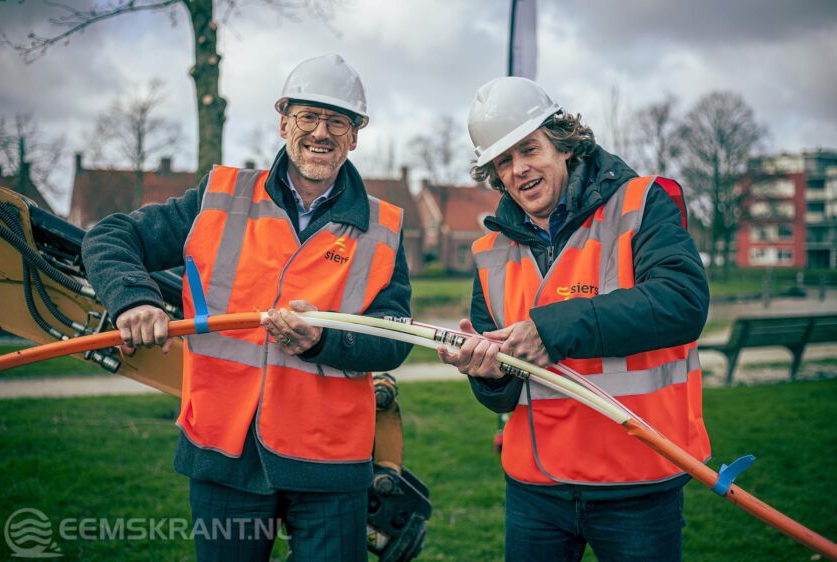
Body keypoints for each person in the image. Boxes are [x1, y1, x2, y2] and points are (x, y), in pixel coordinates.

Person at [82, 54, 412, 562]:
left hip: (330, 464)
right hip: (223, 454)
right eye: (308, 117)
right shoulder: (220, 197)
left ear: (355, 135)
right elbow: (110, 236)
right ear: (283, 122)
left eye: (337, 121)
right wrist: (135, 299)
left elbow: (393, 337)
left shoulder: (382, 227)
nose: (321, 132)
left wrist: (321, 340)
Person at [438, 76, 711, 562]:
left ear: (563, 143)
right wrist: (487, 373)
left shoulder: (641, 204)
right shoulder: (490, 251)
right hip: (535, 488)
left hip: (638, 480)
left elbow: (681, 303)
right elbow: (501, 389)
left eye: (529, 149)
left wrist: (552, 330)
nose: (519, 170)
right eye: (504, 161)